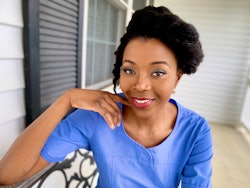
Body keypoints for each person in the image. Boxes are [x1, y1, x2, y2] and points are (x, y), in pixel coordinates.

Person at [0, 5, 213, 188]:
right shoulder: (96, 116)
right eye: (129, 70)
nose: (140, 85)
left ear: (177, 78)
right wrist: (65, 100)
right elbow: (8, 175)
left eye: (158, 72)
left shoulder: (195, 131)